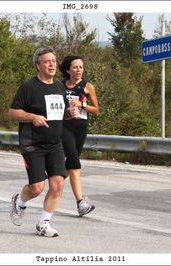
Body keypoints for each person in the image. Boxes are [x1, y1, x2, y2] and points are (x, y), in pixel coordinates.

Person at [8, 47, 68, 237]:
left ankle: (44, 223)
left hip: (55, 144)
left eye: (53, 61)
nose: (52, 64)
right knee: (37, 188)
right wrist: (33, 117)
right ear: (38, 65)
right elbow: (13, 112)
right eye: (47, 61)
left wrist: (70, 113)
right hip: (32, 144)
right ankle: (19, 202)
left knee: (58, 184)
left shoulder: (59, 87)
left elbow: (59, 114)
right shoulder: (29, 87)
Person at [59, 55, 99, 217]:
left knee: (70, 164)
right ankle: (80, 203)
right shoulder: (59, 86)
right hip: (64, 126)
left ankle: (55, 182)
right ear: (68, 70)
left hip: (80, 127)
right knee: (75, 163)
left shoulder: (87, 86)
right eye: (75, 67)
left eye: (81, 67)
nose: (79, 70)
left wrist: (82, 104)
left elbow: (96, 110)